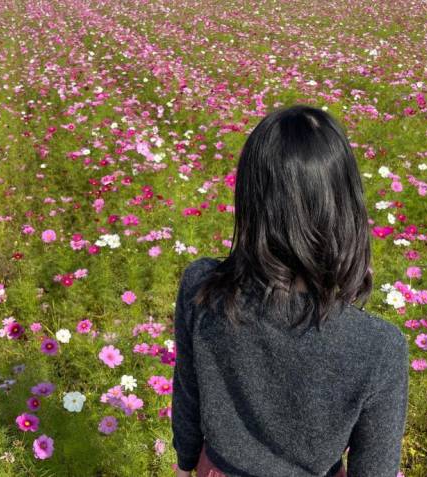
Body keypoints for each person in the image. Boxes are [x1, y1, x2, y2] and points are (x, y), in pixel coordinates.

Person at [171, 104, 409, 477]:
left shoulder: (202, 288)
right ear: (345, 205)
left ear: (250, 201)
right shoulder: (377, 347)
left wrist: (186, 467)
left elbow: (188, 398)